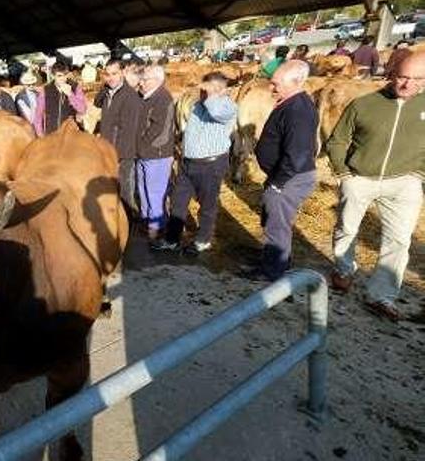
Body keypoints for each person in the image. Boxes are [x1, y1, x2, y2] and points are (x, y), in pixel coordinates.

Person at [325, 52, 425, 322]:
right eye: (403, 77)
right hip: (360, 178)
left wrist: (419, 175)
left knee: (399, 240)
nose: (408, 85)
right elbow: (337, 140)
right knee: (346, 227)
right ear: (392, 74)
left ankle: (382, 295)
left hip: (404, 183)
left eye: (417, 80)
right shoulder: (364, 104)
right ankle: (344, 270)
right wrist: (343, 173)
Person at [248, 60, 318, 281]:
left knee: (277, 224)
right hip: (286, 175)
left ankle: (273, 273)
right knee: (273, 220)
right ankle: (275, 262)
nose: (271, 87)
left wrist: (278, 183)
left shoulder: (298, 110)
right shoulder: (294, 103)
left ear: (297, 82)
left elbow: (297, 154)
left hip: (290, 179)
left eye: (276, 83)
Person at [153, 72, 237, 255]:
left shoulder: (227, 106)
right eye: (202, 89)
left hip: (211, 164)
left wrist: (212, 93)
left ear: (219, 89)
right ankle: (172, 239)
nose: (201, 92)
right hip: (188, 163)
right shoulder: (197, 106)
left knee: (207, 205)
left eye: (206, 89)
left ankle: (203, 240)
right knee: (178, 201)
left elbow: (215, 111)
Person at [95, 58, 143, 214]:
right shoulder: (109, 93)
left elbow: (129, 131)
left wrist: (116, 155)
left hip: (122, 154)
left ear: (123, 72)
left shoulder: (130, 97)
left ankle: (129, 225)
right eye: (107, 74)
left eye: (114, 74)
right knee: (110, 190)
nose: (110, 78)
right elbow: (96, 102)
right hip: (107, 151)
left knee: (125, 191)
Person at [136, 65, 176, 239]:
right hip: (144, 154)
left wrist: (141, 147)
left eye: (144, 80)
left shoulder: (163, 99)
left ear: (156, 81)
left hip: (157, 155)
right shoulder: (146, 98)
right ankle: (147, 224)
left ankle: (156, 232)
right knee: (143, 191)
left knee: (154, 195)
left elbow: (159, 130)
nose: (141, 82)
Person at [33, 61, 86, 136]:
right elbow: (38, 115)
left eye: (65, 75)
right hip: (52, 133)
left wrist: (70, 95)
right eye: (59, 76)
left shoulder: (75, 87)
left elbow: (82, 109)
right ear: (53, 76)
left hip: (71, 134)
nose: (63, 79)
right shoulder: (45, 90)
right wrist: (40, 134)